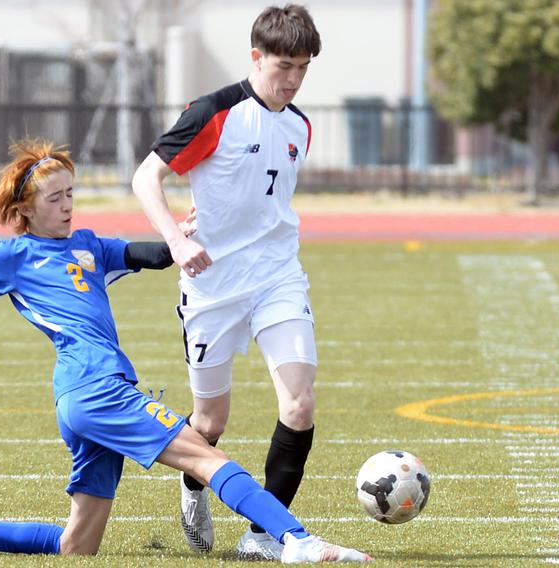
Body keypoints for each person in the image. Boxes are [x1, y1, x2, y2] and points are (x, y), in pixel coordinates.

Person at [0, 139, 371, 563]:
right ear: (24, 209)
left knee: (79, 546)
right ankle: (296, 540)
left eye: (71, 193)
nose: (68, 204)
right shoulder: (12, 256)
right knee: (208, 457)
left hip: (90, 397)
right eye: (55, 198)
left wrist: (187, 233)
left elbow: (154, 256)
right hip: (94, 391)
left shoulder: (87, 244)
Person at [131, 4, 326, 560]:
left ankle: (264, 533)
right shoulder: (215, 112)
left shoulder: (301, 126)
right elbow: (147, 176)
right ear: (256, 56)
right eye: (283, 65)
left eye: (303, 69)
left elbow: (266, 204)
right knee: (211, 421)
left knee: (300, 404)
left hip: (277, 279)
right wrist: (177, 238)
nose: (292, 79)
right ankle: (195, 482)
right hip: (212, 287)